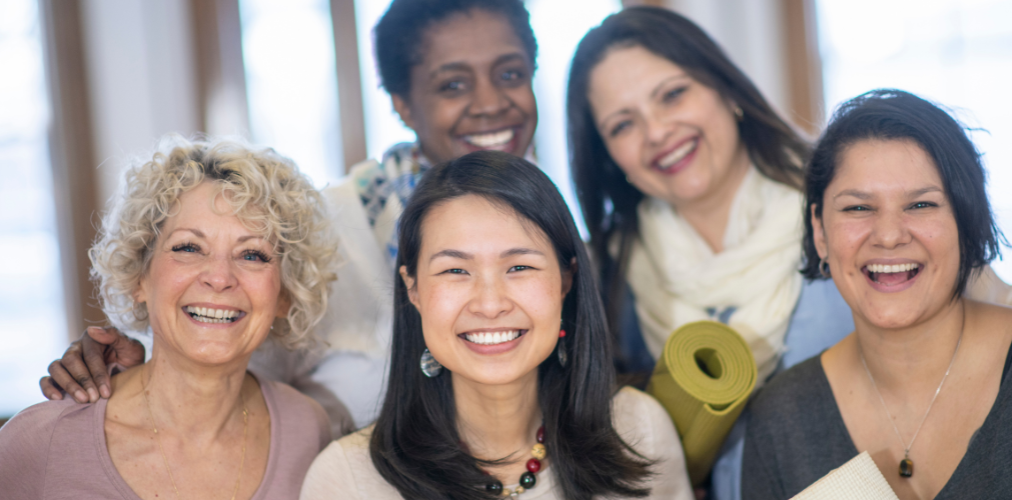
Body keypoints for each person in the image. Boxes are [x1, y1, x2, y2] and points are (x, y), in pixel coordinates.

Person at [565, 8, 1012, 498]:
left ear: (726, 90)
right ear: (608, 155)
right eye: (622, 124)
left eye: (672, 94)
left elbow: (978, 285)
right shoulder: (612, 273)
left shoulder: (847, 201)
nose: (657, 131)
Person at [39, 0, 541, 434]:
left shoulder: (555, 236)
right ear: (403, 105)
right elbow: (211, 357)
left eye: (511, 74)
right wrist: (125, 368)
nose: (492, 102)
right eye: (453, 84)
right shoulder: (323, 229)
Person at [741, 89, 1012, 499]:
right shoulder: (782, 418)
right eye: (858, 208)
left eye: (920, 205)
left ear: (966, 221)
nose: (888, 236)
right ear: (819, 232)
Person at [300, 151, 694, 499]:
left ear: (566, 280)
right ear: (413, 289)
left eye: (519, 267)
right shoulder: (347, 480)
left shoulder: (639, 430)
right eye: (455, 270)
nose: (490, 304)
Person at [0, 137, 335, 499]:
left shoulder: (307, 429)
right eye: (189, 247)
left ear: (284, 293)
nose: (220, 277)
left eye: (252, 254)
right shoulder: (40, 444)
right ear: (139, 276)